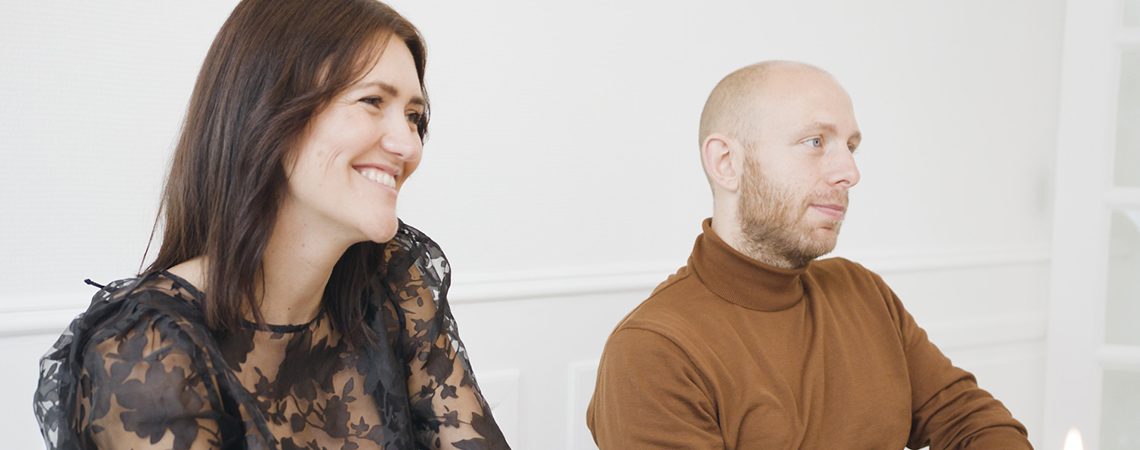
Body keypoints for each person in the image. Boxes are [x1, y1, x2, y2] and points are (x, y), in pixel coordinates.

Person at [33, 1, 510, 449]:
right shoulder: (148, 353)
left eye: (414, 117)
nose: (408, 146)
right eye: (371, 101)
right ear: (270, 115)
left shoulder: (394, 282)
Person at [586, 61, 1033, 449]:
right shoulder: (653, 350)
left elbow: (974, 424)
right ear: (726, 163)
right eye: (815, 141)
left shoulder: (863, 292)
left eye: (851, 146)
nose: (850, 172)